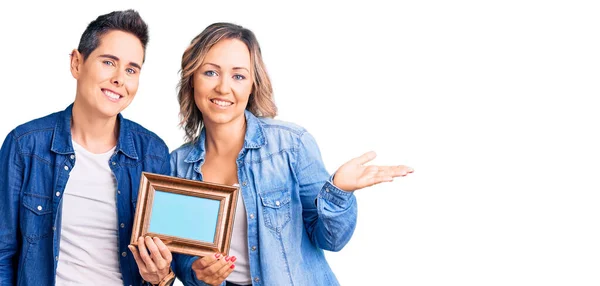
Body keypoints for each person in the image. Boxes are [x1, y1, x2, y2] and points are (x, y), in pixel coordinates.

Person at [169, 22, 414, 286]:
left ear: (252, 84)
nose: (223, 88)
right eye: (210, 72)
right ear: (192, 79)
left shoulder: (291, 145)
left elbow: (331, 240)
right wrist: (199, 273)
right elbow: (183, 259)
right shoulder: (177, 166)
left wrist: (338, 191)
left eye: (238, 76)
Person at [0, 10, 177, 286]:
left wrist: (162, 277)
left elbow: (162, 272)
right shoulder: (25, 145)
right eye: (109, 62)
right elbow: (2, 255)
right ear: (77, 63)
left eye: (131, 69)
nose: (120, 78)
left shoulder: (152, 153)